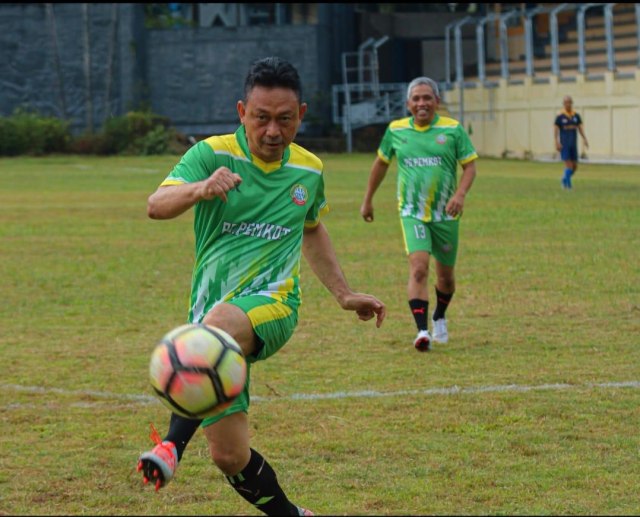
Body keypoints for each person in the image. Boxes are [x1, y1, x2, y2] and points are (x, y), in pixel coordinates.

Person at [137, 56, 386, 516]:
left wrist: (343, 294)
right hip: (209, 323)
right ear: (241, 113)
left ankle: (171, 446)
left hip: (272, 305)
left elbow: (311, 228)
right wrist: (200, 189)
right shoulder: (211, 155)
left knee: (218, 326)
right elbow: (156, 205)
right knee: (230, 456)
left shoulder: (309, 170)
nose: (273, 131)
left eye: (285, 120)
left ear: (301, 116)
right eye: (262, 118)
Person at [360, 76, 477, 352]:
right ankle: (422, 330)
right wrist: (368, 200)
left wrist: (459, 195)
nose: (422, 103)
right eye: (416, 99)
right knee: (419, 267)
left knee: (445, 277)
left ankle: (439, 316)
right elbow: (380, 164)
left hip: (445, 214)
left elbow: (470, 167)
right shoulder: (396, 131)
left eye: (427, 98)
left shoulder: (453, 130)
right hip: (412, 212)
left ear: (437, 102)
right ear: (408, 104)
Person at [554, 95, 589, 190]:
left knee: (574, 167)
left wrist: (584, 138)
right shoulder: (560, 116)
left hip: (573, 144)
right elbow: (556, 130)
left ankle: (564, 178)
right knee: (569, 165)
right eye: (566, 103)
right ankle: (568, 186)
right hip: (564, 144)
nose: (568, 104)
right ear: (563, 104)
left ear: (572, 103)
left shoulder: (576, 116)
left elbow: (580, 128)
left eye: (569, 102)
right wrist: (556, 142)